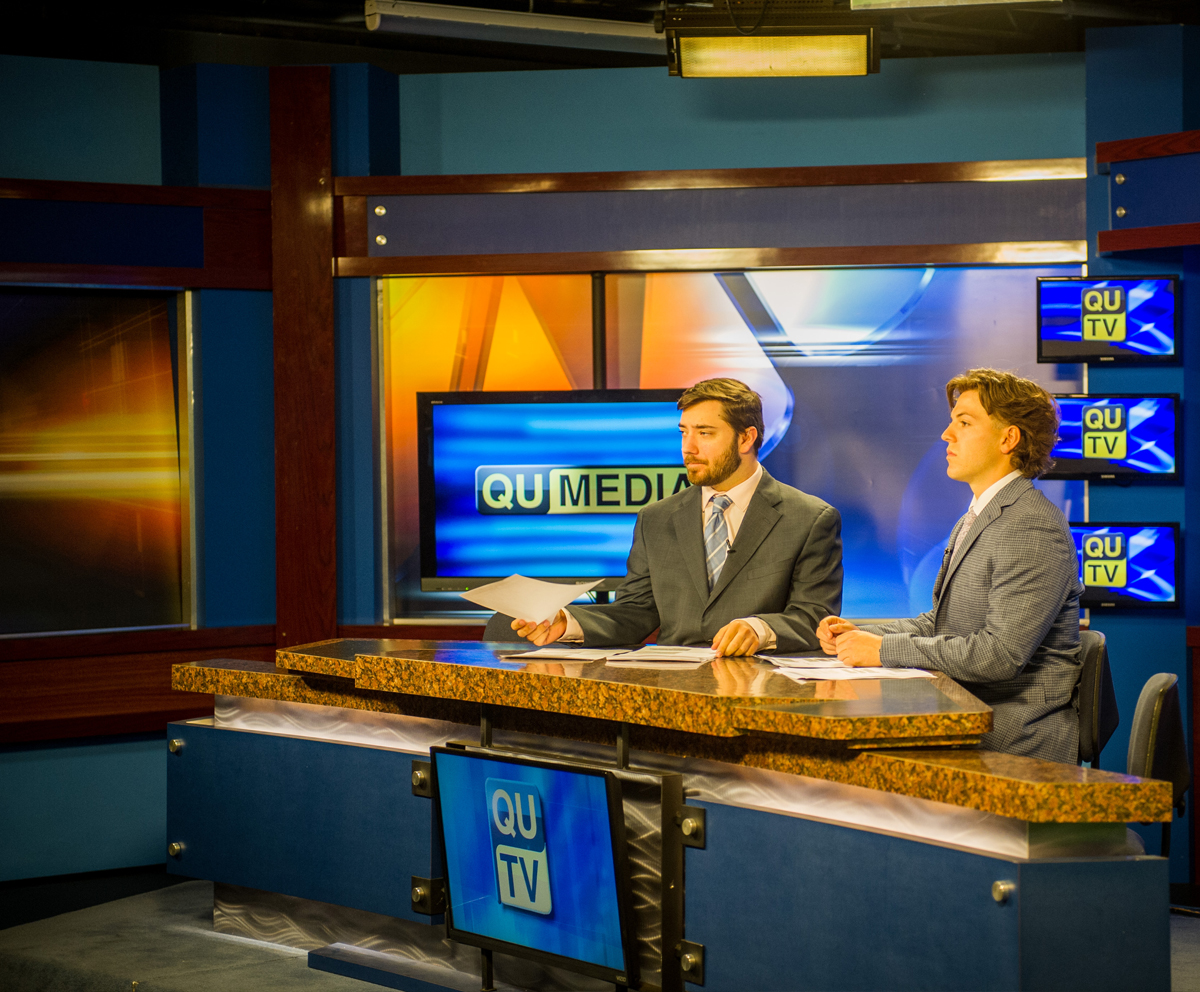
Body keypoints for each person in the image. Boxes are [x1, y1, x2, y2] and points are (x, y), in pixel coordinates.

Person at [817, 368, 1082, 763]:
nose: (946, 434)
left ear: (1008, 439)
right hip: (968, 721)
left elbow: (1000, 655)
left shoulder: (1031, 525)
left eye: (964, 422)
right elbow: (940, 624)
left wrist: (884, 649)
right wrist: (861, 634)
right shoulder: (978, 515)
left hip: (1014, 744)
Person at [512, 378, 843, 655]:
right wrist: (568, 623)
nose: (688, 448)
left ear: (746, 438)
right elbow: (635, 613)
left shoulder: (809, 519)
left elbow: (814, 616)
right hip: (672, 689)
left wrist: (760, 628)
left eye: (704, 433)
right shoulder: (656, 519)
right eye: (684, 432)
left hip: (763, 689)